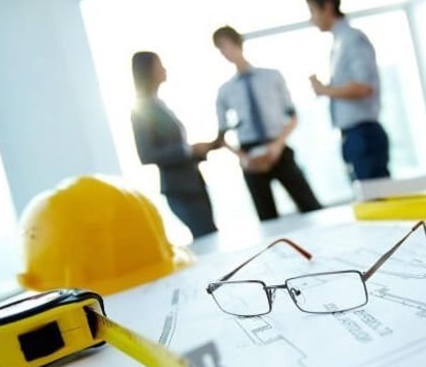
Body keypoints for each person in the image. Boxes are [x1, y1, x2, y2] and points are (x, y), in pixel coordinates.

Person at [213, 26, 322, 221]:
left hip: (278, 147)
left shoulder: (272, 77)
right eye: (219, 49)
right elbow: (221, 136)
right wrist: (243, 157)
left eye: (224, 45)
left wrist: (277, 146)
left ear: (237, 42)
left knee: (310, 206)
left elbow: (292, 116)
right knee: (267, 218)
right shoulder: (224, 91)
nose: (223, 52)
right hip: (250, 156)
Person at [131, 51, 220, 238]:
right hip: (180, 188)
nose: (164, 69)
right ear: (147, 70)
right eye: (159, 65)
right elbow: (147, 155)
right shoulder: (142, 109)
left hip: (193, 182)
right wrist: (189, 150)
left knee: (210, 234)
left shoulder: (159, 104)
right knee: (206, 237)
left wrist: (201, 149)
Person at [306, 0, 390, 181]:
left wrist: (325, 90)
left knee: (375, 195)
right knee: (366, 194)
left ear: (327, 6)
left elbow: (363, 87)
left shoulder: (351, 39)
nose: (311, 19)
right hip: (353, 135)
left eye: (312, 11)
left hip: (364, 135)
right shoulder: (340, 42)